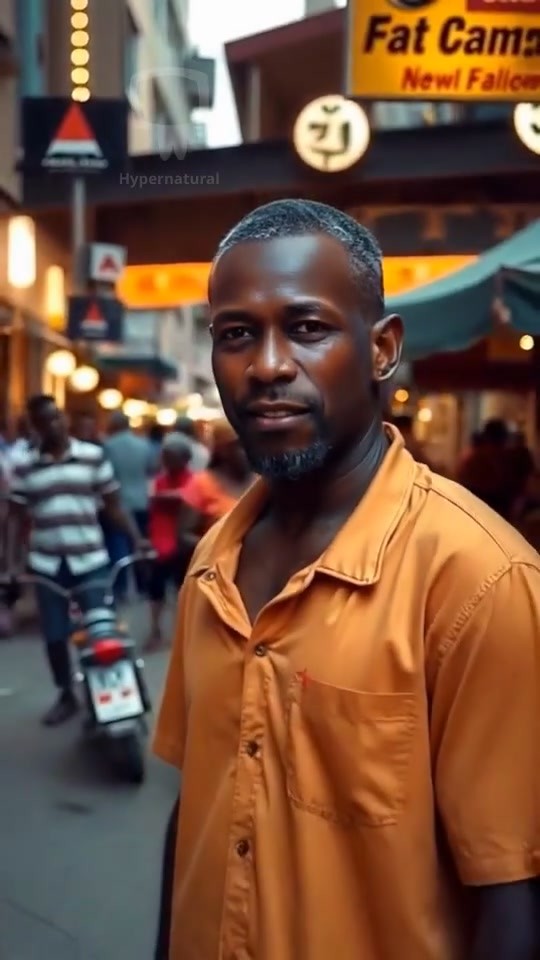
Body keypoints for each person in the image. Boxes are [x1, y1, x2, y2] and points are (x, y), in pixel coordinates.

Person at [152, 200, 540, 960]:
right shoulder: (213, 565)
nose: (266, 366)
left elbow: (513, 898)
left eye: (307, 328)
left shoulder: (480, 581)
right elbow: (194, 809)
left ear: (382, 348)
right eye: (236, 334)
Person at [7, 395, 148, 726]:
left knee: (102, 631)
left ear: (64, 419)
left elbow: (113, 505)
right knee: (55, 637)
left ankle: (110, 694)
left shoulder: (92, 456)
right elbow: (14, 518)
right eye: (44, 421)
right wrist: (11, 564)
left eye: (56, 417)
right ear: (36, 427)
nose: (52, 425)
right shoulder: (25, 466)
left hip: (91, 561)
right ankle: (66, 694)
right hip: (47, 565)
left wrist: (137, 540)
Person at [146, 433, 193, 649]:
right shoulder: (160, 480)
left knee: (182, 590)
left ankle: (183, 634)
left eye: (170, 456)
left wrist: (169, 497)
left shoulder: (192, 479)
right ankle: (156, 631)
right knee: (156, 591)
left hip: (182, 544)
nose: (165, 460)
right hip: (160, 541)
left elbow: (187, 497)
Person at [102, 411, 155, 599]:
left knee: (119, 545)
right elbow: (151, 470)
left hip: (118, 502)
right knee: (140, 544)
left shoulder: (108, 446)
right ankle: (143, 586)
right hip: (142, 500)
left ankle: (121, 588)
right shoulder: (144, 445)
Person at [179, 417, 252, 537]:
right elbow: (184, 536)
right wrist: (220, 550)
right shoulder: (201, 484)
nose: (250, 451)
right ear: (223, 450)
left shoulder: (264, 482)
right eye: (240, 446)